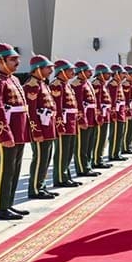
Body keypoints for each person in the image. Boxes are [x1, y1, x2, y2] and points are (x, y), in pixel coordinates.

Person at [0, 43, 30, 220]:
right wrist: (4, 135)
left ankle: (7, 203)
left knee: (14, 170)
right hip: (3, 132)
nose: (17, 62)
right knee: (4, 170)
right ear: (1, 61)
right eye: (13, 59)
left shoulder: (13, 79)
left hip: (18, 131)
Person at [24, 55, 59, 199]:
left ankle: (41, 186)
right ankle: (35, 189)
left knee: (46, 158)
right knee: (39, 159)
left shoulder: (42, 84)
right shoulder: (32, 85)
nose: (51, 70)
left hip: (48, 126)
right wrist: (36, 131)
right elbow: (31, 111)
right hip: (40, 128)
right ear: (38, 69)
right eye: (48, 68)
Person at [51, 59, 81, 188]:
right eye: (70, 70)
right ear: (62, 71)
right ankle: (60, 177)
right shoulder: (56, 85)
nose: (73, 72)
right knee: (62, 151)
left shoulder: (66, 84)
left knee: (69, 151)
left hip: (71, 120)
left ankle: (66, 175)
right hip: (64, 121)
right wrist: (59, 124)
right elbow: (57, 107)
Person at [72, 61, 100, 178]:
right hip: (84, 118)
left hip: (91, 117)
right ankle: (82, 168)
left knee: (89, 144)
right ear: (81, 72)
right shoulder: (77, 85)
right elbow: (79, 104)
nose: (90, 73)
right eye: (88, 71)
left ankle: (87, 166)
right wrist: (81, 120)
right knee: (81, 146)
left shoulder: (86, 83)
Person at [91, 64, 114, 170]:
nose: (109, 75)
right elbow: (97, 101)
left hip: (106, 113)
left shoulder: (102, 84)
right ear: (100, 74)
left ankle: (99, 158)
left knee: (103, 139)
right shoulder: (96, 84)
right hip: (101, 115)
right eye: (107, 73)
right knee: (99, 139)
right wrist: (99, 116)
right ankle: (96, 160)